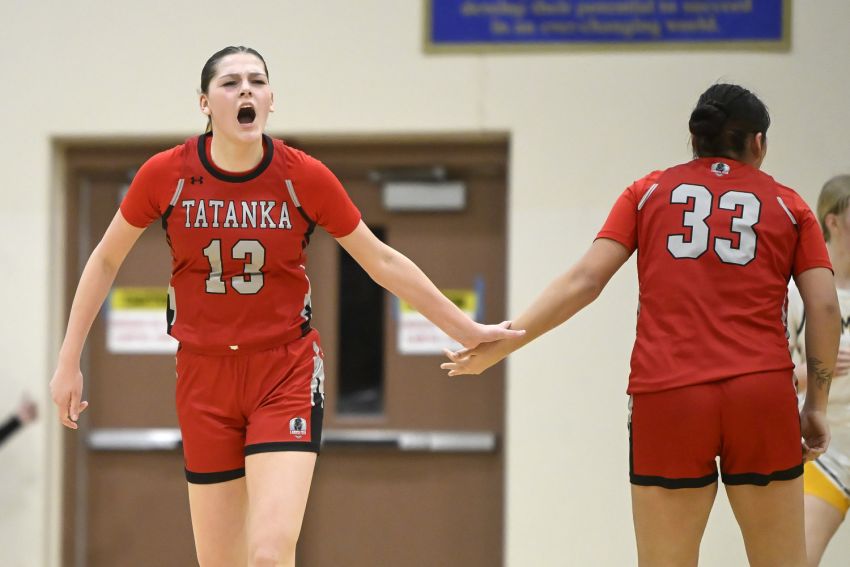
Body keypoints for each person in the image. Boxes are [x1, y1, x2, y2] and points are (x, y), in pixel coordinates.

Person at [49, 46, 523, 567]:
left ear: (271, 100)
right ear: (205, 103)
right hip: (204, 376)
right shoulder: (168, 174)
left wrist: (465, 326)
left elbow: (381, 261)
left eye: (257, 81)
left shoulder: (303, 176)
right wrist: (69, 360)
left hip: (285, 372)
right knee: (220, 561)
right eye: (230, 83)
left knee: (271, 553)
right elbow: (105, 260)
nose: (246, 90)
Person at [442, 83, 840, 566]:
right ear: (758, 143)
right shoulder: (789, 205)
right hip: (760, 392)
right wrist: (815, 403)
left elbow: (585, 280)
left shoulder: (647, 192)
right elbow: (822, 308)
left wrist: (502, 343)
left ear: (694, 139)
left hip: (668, 393)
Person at [788, 174, 850, 566]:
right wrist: (817, 372)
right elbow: (771, 373)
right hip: (825, 451)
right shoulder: (798, 292)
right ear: (834, 221)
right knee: (798, 560)